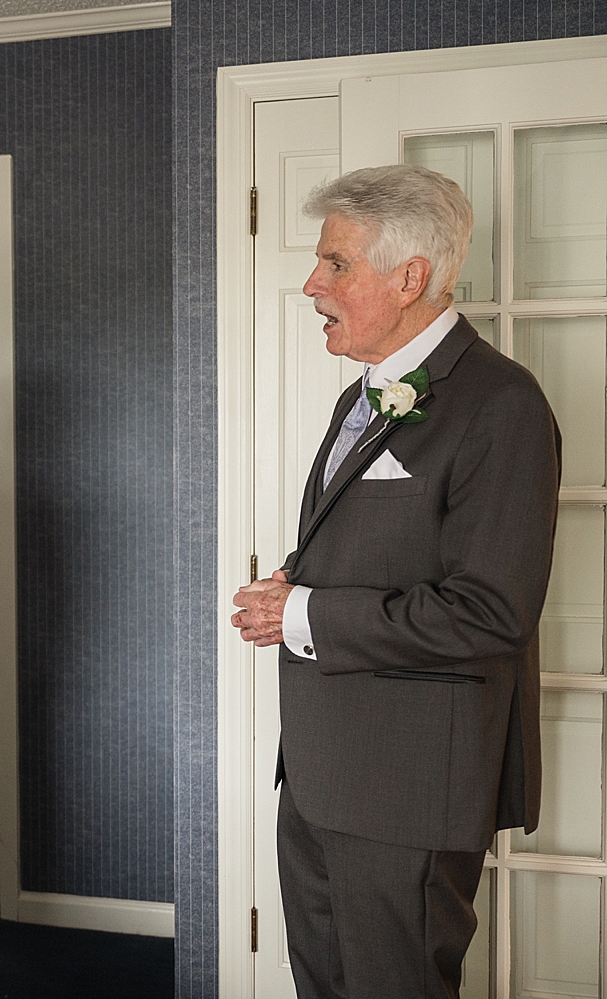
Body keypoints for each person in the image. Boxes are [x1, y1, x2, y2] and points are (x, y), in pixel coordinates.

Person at [231, 164, 561, 998]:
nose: (312, 283)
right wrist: (299, 580)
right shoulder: (360, 397)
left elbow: (491, 611)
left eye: (335, 263)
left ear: (411, 275)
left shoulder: (503, 405)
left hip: (406, 789)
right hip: (316, 774)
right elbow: (385, 548)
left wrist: (304, 612)